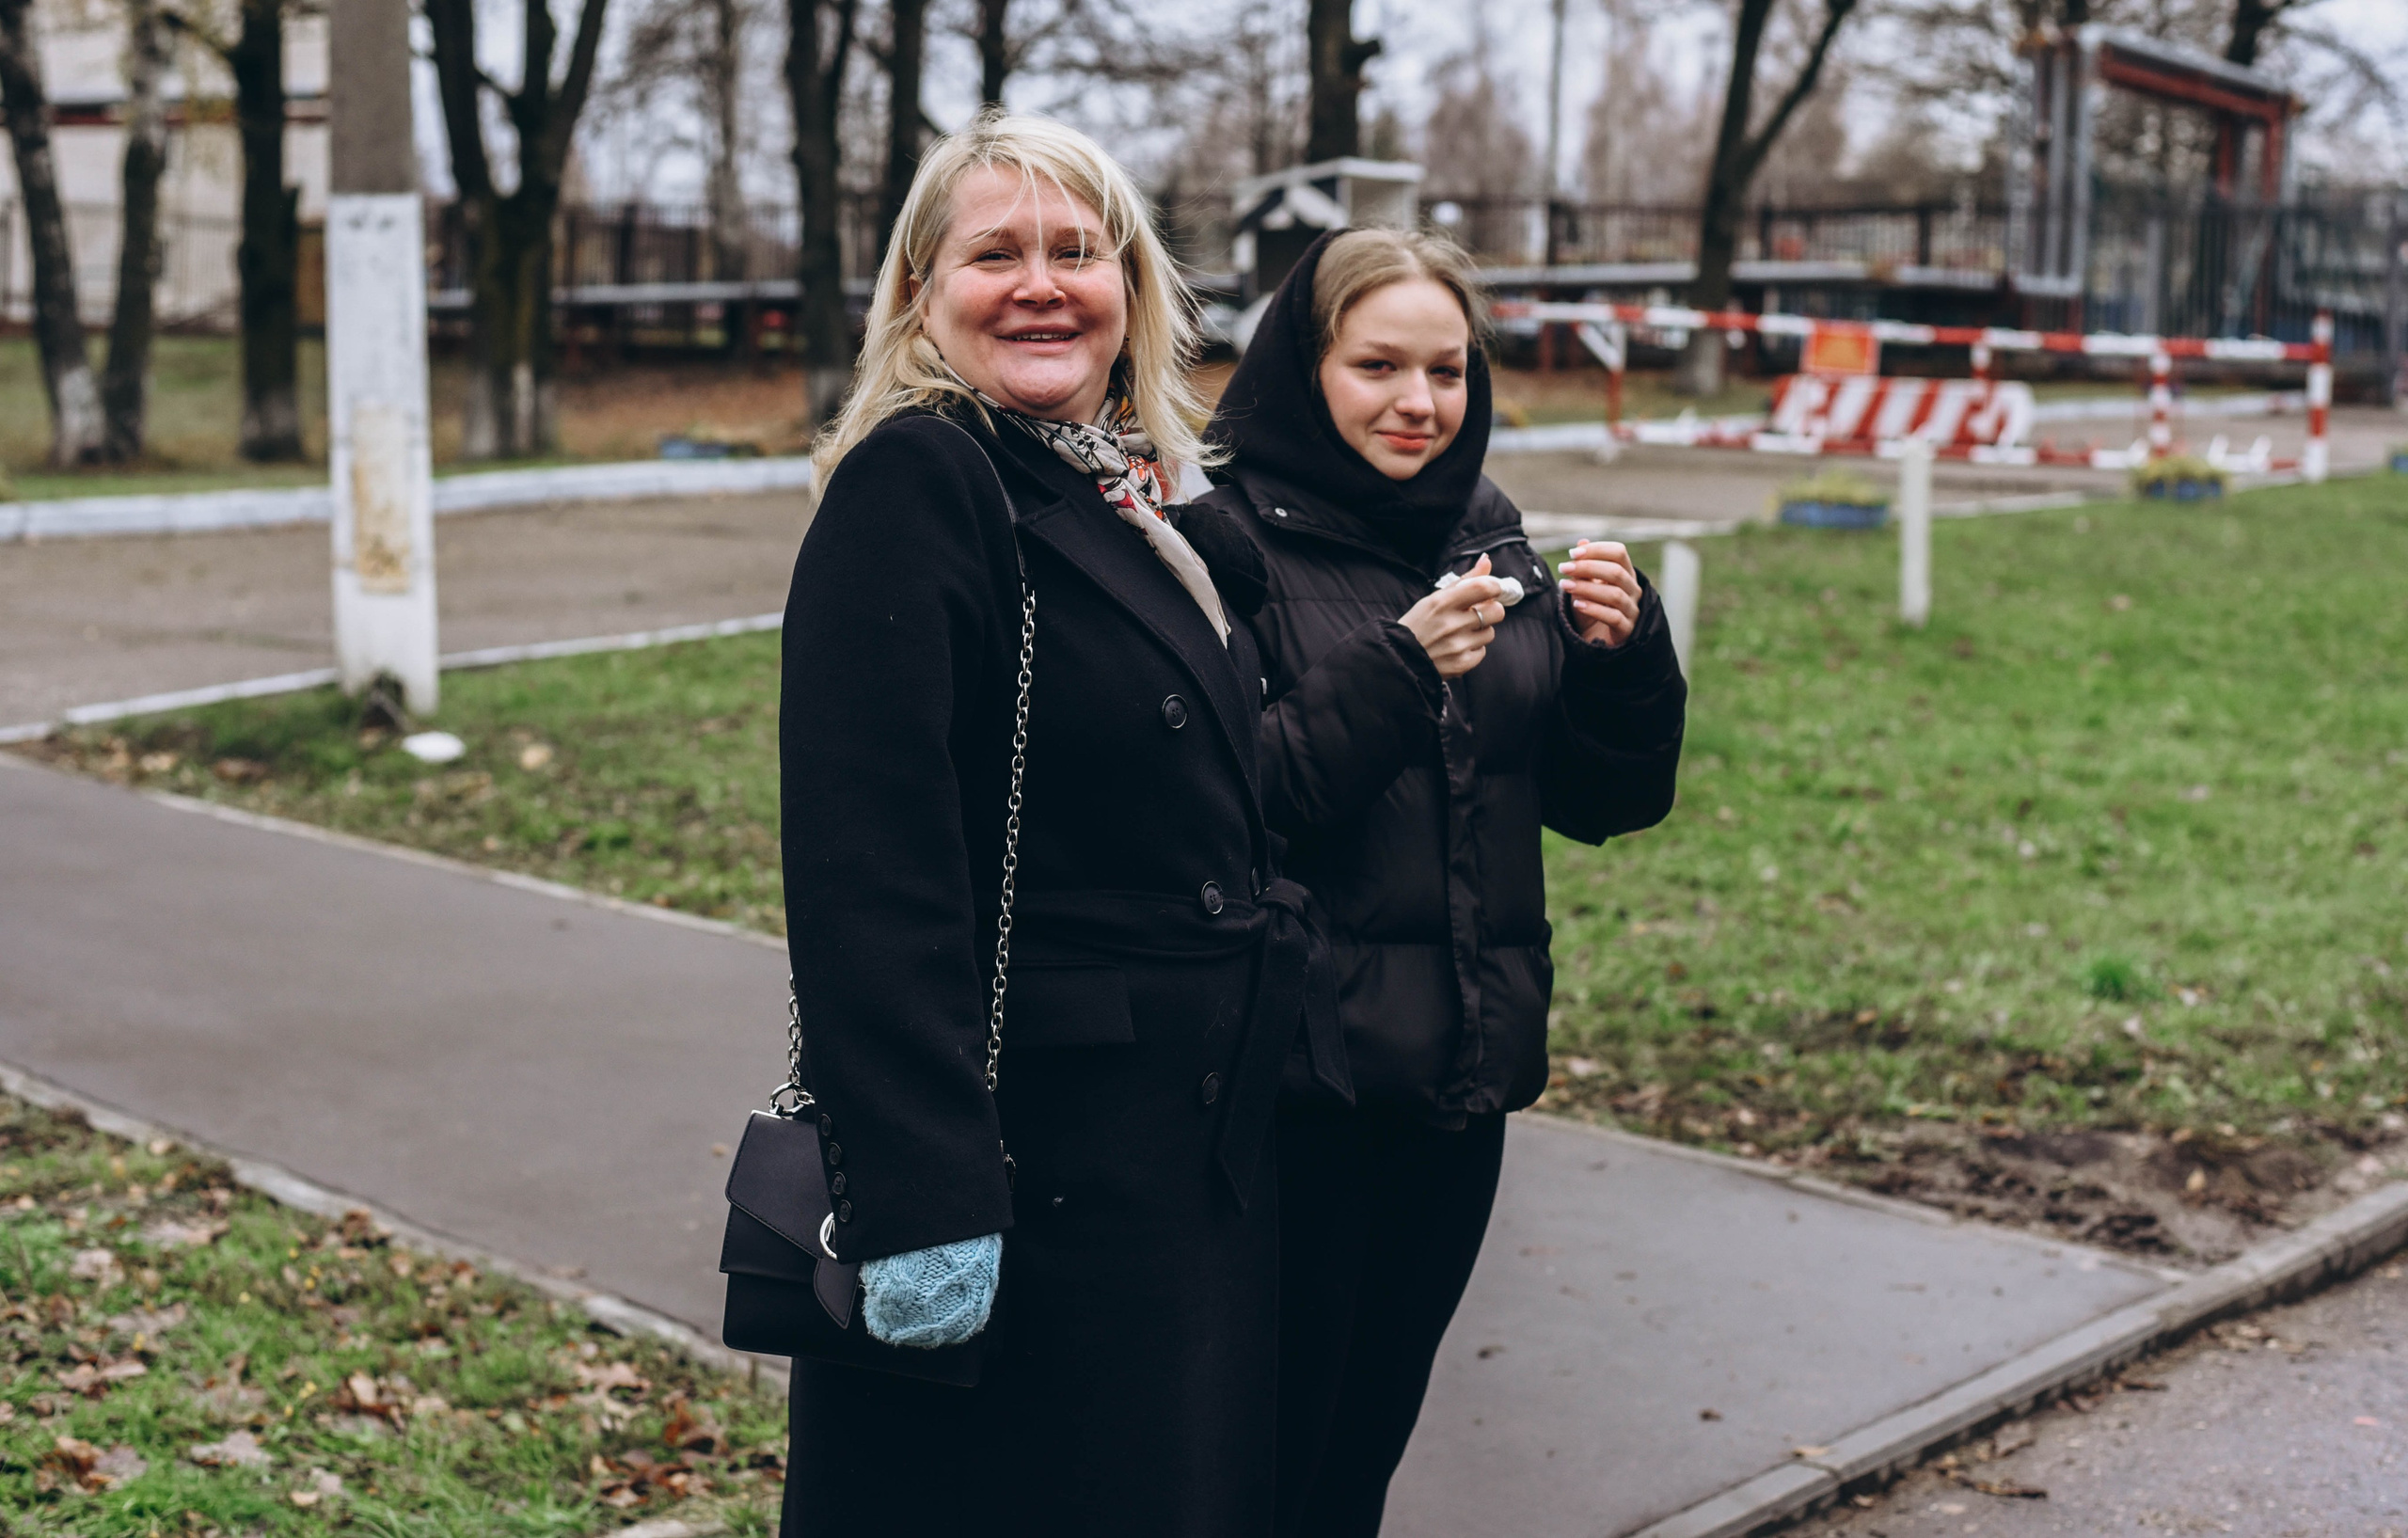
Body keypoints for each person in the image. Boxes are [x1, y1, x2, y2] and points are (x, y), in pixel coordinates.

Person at [776, 112, 1322, 1536]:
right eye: (993, 254)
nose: (1041, 285)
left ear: (1131, 287)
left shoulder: (1116, 486)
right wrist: (923, 1196)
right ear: (919, 294)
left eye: (1078, 251)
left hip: (1173, 1161)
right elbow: (867, 873)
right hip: (1035, 1166)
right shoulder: (924, 480)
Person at [1188, 227, 1688, 1536]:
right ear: (1303, 371)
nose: (1420, 402)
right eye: (1378, 367)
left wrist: (1625, 662)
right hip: (1297, 1101)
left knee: (1359, 1456)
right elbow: (1220, 809)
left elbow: (1600, 801)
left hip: (1456, 1092)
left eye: (1449, 370)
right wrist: (1399, 669)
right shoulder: (1217, 542)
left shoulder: (1487, 537)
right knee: (1267, 1465)